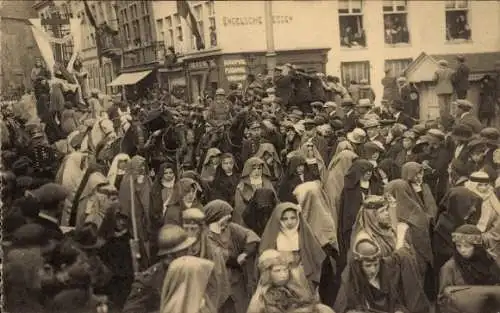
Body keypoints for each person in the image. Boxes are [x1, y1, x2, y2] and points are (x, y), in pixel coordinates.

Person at [122, 224, 197, 313]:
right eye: (184, 251)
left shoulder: (189, 271)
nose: (190, 253)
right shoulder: (149, 280)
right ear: (170, 256)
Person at [247, 249, 334, 313]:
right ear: (268, 273)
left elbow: (307, 302)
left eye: (285, 270)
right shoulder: (261, 295)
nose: (283, 274)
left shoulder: (294, 286)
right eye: (277, 270)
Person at [438, 224, 500, 313]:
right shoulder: (449, 268)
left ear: (477, 247)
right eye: (458, 246)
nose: (462, 250)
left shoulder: (489, 261)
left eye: (467, 246)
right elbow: (443, 300)